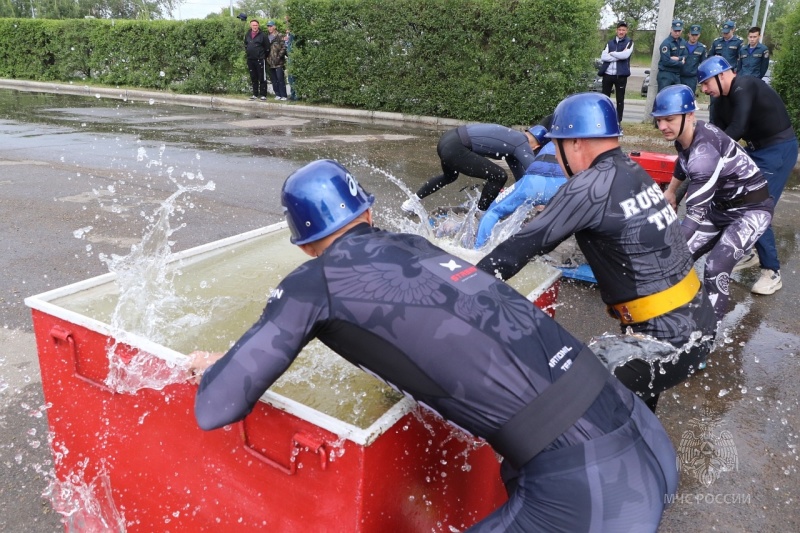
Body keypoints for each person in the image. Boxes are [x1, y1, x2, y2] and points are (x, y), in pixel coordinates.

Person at [191, 158, 678, 532]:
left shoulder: (311, 283)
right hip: (644, 433)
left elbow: (218, 406)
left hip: (591, 491)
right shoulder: (417, 247)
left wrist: (219, 365)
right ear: (369, 211)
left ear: (299, 242)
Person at [476, 93, 717, 411]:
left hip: (662, 340)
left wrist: (459, 290)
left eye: (557, 144)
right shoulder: (633, 171)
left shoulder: (588, 186)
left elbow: (513, 253)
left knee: (555, 408)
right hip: (698, 326)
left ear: (574, 143)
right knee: (635, 413)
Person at [654, 85, 773, 320]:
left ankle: (708, 334)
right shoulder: (685, 135)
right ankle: (677, 315)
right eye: (658, 120)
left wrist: (664, 248)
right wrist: (671, 191)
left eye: (668, 119)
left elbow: (694, 216)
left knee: (715, 267)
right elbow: (682, 161)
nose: (662, 127)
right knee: (678, 258)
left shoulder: (704, 153)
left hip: (751, 211)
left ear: (690, 115)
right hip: (719, 208)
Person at [698, 56, 798, 295]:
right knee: (731, 195)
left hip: (779, 149)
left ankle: (772, 272)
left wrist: (709, 156)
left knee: (757, 206)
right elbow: (717, 134)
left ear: (721, 75)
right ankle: (749, 250)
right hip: (755, 149)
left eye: (705, 83)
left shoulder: (746, 85)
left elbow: (737, 128)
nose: (703, 89)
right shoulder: (719, 100)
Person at [403, 124, 538, 212]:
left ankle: (411, 202)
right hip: (456, 147)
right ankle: (481, 213)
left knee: (449, 176)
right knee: (499, 176)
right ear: (537, 146)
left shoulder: (513, 139)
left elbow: (522, 179)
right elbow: (536, 172)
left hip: (448, 139)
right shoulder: (522, 144)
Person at [474, 125, 566, 248]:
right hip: (562, 185)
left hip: (531, 182)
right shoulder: (581, 142)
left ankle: (477, 250)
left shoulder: (550, 143)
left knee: (493, 211)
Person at [598, 21, 633, 123]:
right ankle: (604, 119)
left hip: (621, 75)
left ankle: (618, 122)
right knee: (605, 98)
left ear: (626, 31)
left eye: (623, 30)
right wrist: (618, 55)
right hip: (607, 74)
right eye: (619, 30)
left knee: (620, 100)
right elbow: (603, 57)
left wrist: (612, 54)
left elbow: (625, 55)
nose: (621, 32)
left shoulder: (629, 42)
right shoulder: (610, 43)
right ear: (616, 30)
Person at [657, 20, 687, 93]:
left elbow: (686, 55)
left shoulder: (683, 42)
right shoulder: (666, 43)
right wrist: (680, 63)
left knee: (676, 97)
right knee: (663, 96)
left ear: (681, 30)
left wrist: (677, 58)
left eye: (679, 31)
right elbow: (666, 61)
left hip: (676, 74)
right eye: (675, 30)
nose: (677, 33)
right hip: (666, 74)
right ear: (671, 30)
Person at [244, 19, 269, 101]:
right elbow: (246, 44)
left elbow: (267, 48)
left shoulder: (263, 35)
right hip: (250, 59)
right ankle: (255, 94)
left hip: (260, 59)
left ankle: (263, 94)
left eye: (256, 25)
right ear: (250, 26)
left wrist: (262, 56)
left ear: (258, 26)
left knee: (262, 77)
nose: (255, 27)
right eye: (253, 25)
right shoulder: (247, 34)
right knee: (253, 77)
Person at [680, 25, 707, 93]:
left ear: (699, 35)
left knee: (690, 96)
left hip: (692, 78)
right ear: (689, 34)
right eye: (692, 35)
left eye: (696, 35)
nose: (694, 37)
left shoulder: (701, 48)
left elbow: (703, 65)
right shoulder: (681, 45)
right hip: (680, 77)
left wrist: (703, 81)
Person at [266, 20, 288, 101]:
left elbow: (284, 47)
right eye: (268, 26)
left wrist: (279, 57)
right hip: (271, 62)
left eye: (271, 26)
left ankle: (284, 95)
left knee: (280, 79)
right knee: (274, 79)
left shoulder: (279, 35)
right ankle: (277, 94)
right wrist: (267, 58)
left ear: (274, 27)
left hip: (279, 62)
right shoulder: (267, 37)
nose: (269, 28)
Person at [284, 16, 298, 101]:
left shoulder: (294, 31)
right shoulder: (288, 33)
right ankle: (292, 95)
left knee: (294, 76)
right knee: (290, 76)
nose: (287, 24)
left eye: (288, 22)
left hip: (294, 56)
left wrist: (291, 33)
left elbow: (296, 40)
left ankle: (296, 95)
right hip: (289, 56)